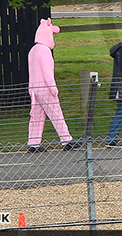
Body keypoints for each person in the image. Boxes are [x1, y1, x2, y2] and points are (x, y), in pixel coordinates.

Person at [27, 18, 81, 153]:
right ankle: (66, 140)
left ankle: (33, 143)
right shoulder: (44, 51)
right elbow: (47, 73)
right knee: (56, 113)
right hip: (45, 88)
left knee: (36, 116)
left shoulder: (33, 50)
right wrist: (53, 87)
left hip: (34, 88)